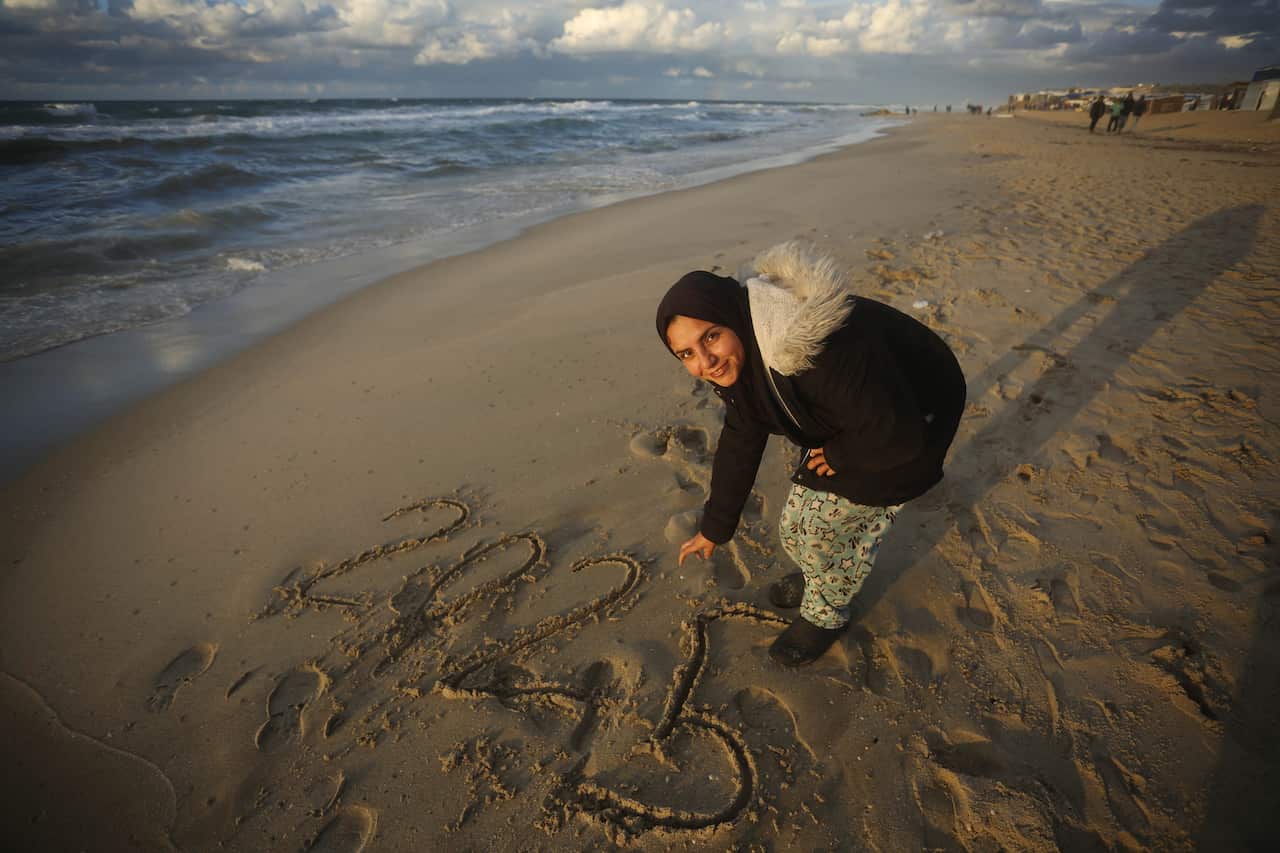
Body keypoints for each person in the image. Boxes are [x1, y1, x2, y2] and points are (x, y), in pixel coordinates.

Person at [654, 243, 966, 665]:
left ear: (732, 319)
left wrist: (839, 456)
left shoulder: (805, 348)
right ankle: (825, 576)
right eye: (686, 354)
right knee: (797, 525)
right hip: (858, 414)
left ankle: (826, 614)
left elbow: (898, 431)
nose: (705, 361)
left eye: (711, 336)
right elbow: (742, 433)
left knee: (818, 529)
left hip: (912, 419)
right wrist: (716, 525)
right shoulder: (747, 347)